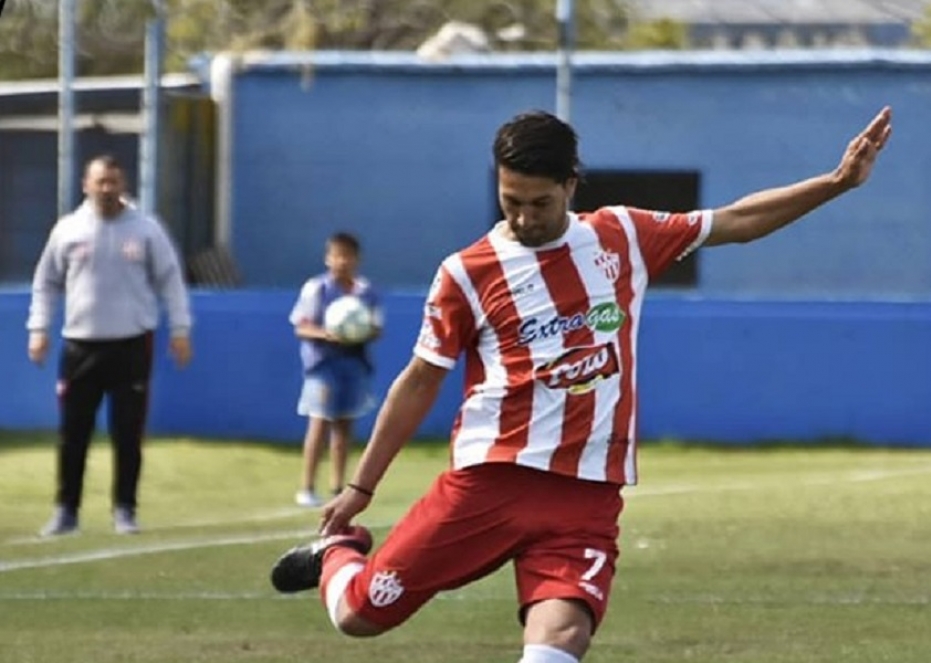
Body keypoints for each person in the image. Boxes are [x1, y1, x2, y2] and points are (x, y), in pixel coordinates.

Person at [270, 107, 893, 662]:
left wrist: (835, 184)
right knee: (357, 616)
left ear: (572, 183)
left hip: (588, 494)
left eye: (539, 202)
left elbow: (735, 221)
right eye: (510, 199)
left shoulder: (622, 236)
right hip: (492, 482)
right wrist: (360, 487)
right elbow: (419, 381)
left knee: (561, 641)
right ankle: (336, 555)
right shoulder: (466, 273)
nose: (523, 215)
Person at [27, 154, 193, 537]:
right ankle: (66, 511)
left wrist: (181, 329)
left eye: (113, 181)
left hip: (132, 345)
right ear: (86, 184)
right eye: (99, 181)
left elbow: (171, 281)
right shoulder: (68, 230)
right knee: (73, 433)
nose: (106, 189)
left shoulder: (146, 229)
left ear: (123, 184)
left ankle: (125, 509)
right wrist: (39, 328)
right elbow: (46, 282)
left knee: (128, 432)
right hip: (80, 346)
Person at [289, 232, 382, 507]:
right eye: (336, 256)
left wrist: (360, 333)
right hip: (323, 364)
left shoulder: (367, 292)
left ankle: (338, 487)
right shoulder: (316, 288)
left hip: (353, 363)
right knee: (319, 422)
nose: (341, 262)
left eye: (347, 256)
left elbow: (377, 328)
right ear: (327, 258)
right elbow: (301, 326)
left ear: (357, 259)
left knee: (345, 425)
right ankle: (307, 487)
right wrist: (325, 334)